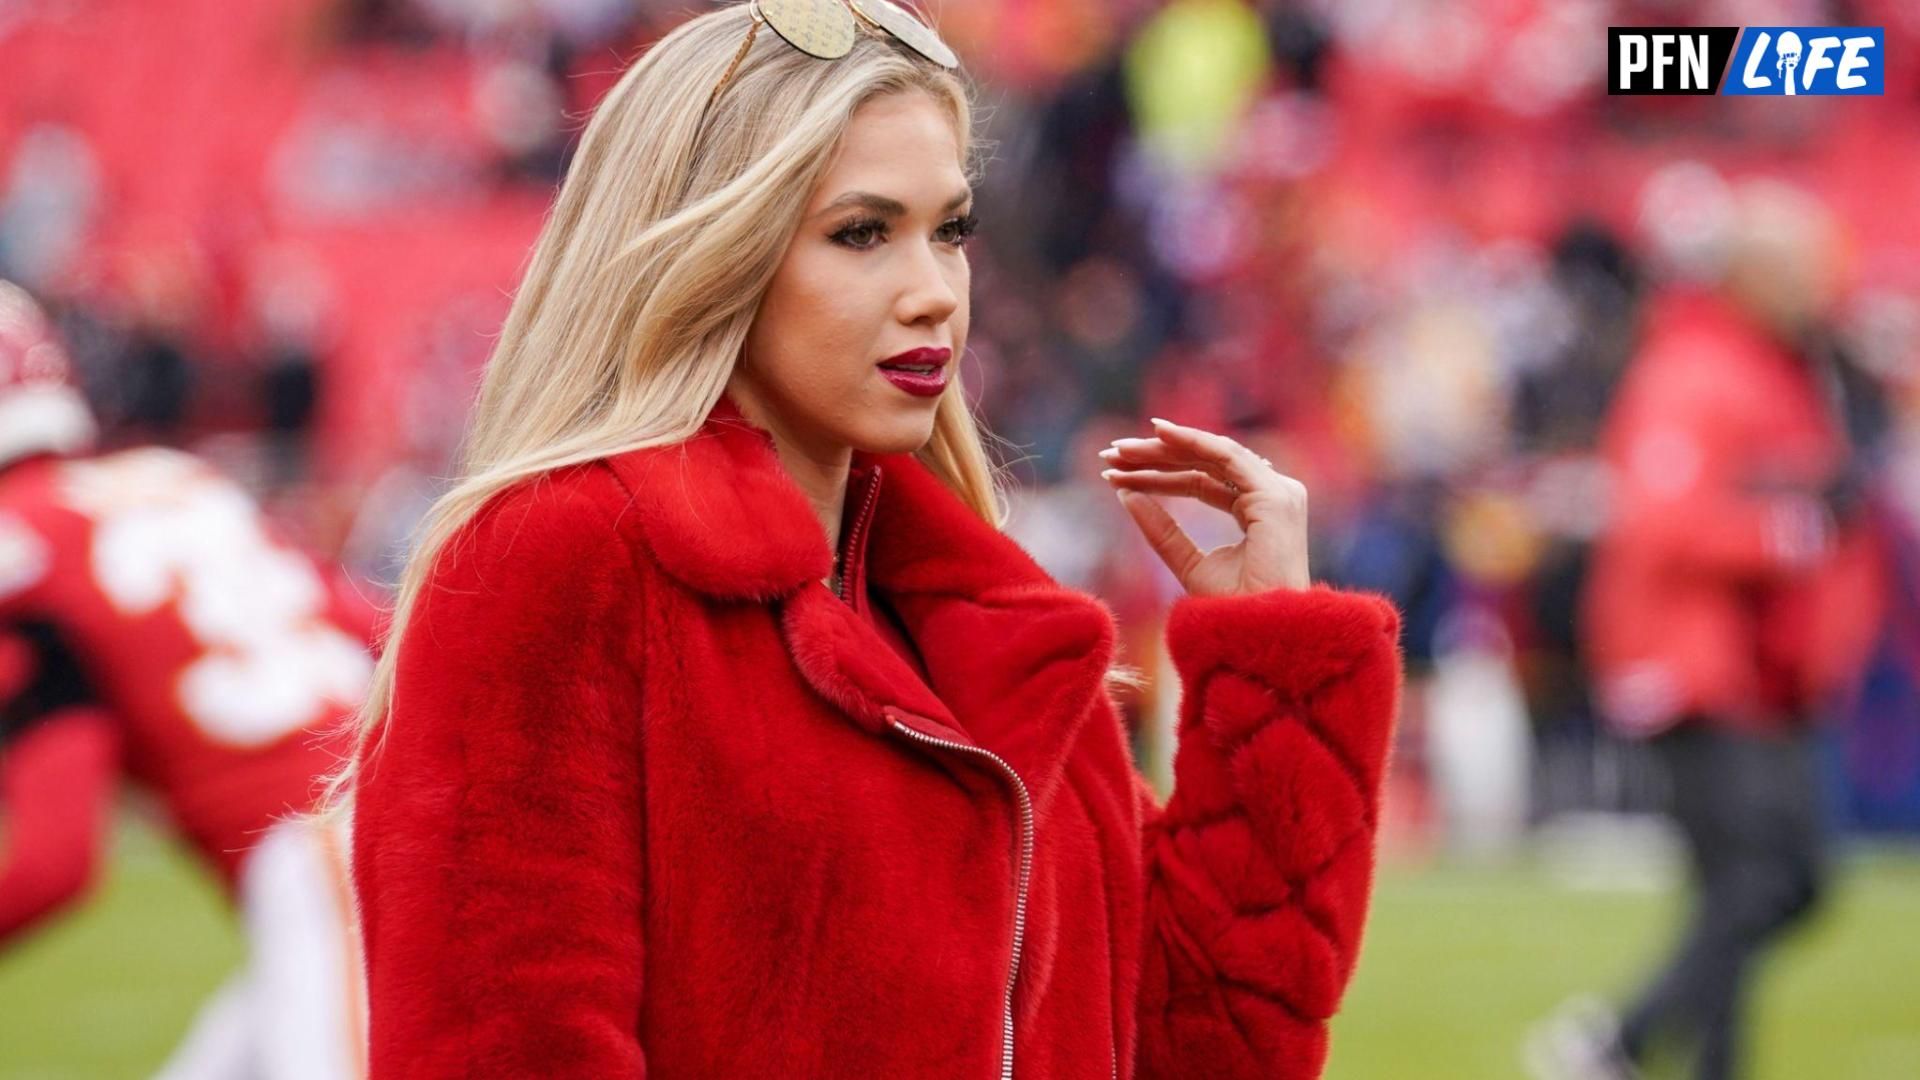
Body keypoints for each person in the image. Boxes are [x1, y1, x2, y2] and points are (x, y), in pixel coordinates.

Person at [334, 3, 1405, 1077]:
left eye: (950, 231)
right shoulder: (558, 561)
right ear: (717, 250)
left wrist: (1269, 646)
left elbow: (1203, 1046)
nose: (935, 292)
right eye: (862, 233)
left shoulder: (992, 622)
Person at [1529, 180, 1887, 1080]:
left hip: (1757, 666)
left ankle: (1701, 1062)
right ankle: (1616, 1041)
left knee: (1754, 884)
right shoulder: (1695, 370)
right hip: (1689, 660)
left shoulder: (1782, 368)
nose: (1823, 285)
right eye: (1804, 267)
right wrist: (1797, 529)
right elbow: (1664, 523)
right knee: (1765, 879)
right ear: (1754, 274)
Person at [0, 277, 375, 1080]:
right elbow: (376, 630)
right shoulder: (178, 479)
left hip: (329, 858)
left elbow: (55, 856)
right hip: (387, 815)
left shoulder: (20, 550)